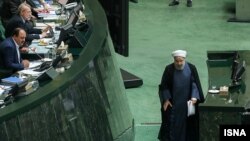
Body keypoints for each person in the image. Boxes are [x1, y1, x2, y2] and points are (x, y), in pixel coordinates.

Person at [158, 50, 204, 141]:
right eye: (177, 61)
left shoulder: (191, 68)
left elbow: (195, 84)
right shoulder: (169, 69)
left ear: (184, 59)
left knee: (187, 125)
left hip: (187, 104)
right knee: (173, 124)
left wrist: (194, 97)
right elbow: (164, 85)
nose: (179, 63)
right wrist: (166, 99)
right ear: (174, 60)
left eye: (181, 61)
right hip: (174, 104)